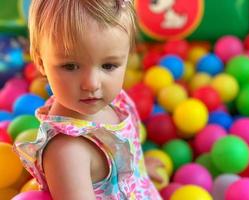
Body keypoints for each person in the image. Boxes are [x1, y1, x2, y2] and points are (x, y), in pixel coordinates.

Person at [14, 0, 164, 199]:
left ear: (127, 56)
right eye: (70, 66)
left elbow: (122, 146)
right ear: (40, 62)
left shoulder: (115, 100)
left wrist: (137, 170)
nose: (92, 84)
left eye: (109, 66)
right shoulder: (67, 152)